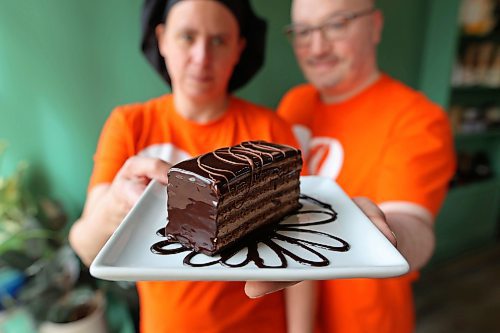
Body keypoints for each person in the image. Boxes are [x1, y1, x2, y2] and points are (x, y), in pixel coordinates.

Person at [69, 0, 315, 332]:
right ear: (162, 39)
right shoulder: (129, 125)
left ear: (239, 48)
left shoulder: (271, 132)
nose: (202, 57)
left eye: (218, 40)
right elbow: (86, 246)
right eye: (187, 36)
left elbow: (301, 249)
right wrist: (116, 204)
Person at [246, 0, 456, 333]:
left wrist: (380, 234)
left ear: (374, 25)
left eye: (336, 24)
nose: (316, 47)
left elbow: (414, 225)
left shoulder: (416, 118)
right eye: (302, 31)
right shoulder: (295, 103)